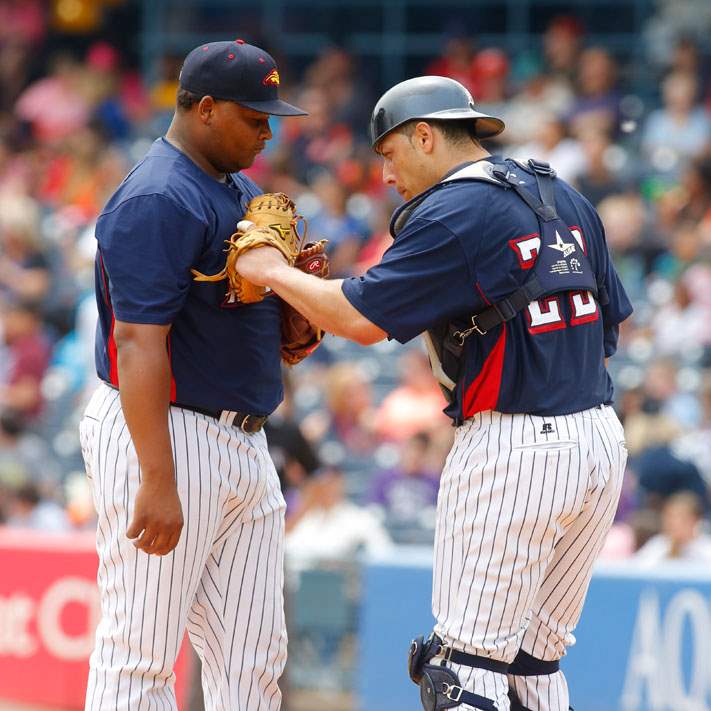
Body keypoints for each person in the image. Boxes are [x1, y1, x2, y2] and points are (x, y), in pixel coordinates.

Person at [235, 75, 633, 711]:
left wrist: (273, 272)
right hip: (599, 441)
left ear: (424, 135)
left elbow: (360, 319)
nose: (386, 176)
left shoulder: (453, 211)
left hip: (515, 447)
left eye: (389, 155)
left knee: (461, 669)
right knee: (534, 663)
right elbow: (610, 322)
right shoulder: (561, 194)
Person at [78, 40, 308, 710]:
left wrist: (290, 315)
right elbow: (136, 341)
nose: (268, 130)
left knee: (253, 660)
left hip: (242, 439)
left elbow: (229, 317)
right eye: (253, 116)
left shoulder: (238, 189)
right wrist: (156, 477)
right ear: (205, 108)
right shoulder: (157, 196)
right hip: (168, 431)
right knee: (141, 655)